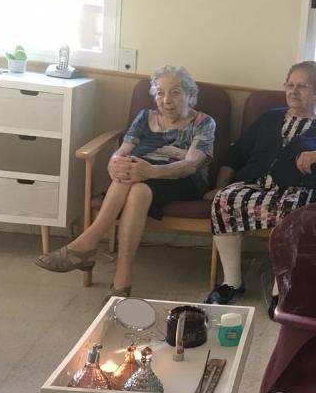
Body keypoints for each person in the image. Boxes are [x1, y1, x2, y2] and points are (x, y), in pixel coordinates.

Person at [36, 65, 215, 297]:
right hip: (139, 175)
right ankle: (122, 278)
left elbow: (191, 164)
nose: (166, 100)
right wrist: (114, 162)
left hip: (180, 179)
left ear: (190, 94)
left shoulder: (203, 122)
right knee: (135, 184)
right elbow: (122, 151)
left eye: (175, 92)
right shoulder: (145, 117)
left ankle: (85, 247)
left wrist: (152, 171)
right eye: (160, 93)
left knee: (132, 178)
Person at [204, 61, 316, 315]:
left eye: (302, 86)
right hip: (257, 185)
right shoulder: (270, 117)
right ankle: (232, 282)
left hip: (301, 189)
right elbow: (237, 153)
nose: (293, 91)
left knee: (293, 209)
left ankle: (281, 291)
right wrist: (220, 185)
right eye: (290, 85)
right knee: (224, 200)